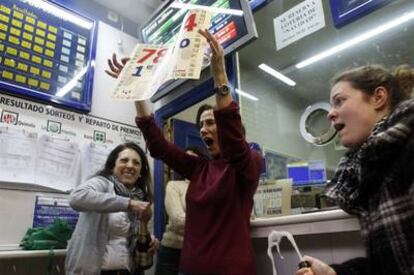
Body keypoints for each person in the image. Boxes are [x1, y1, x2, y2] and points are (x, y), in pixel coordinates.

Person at [106, 29, 263, 274]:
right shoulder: (200, 168)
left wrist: (219, 75)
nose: (203, 130)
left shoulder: (249, 164)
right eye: (201, 125)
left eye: (211, 122)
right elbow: (158, 146)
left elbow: (234, 144)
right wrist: (136, 91)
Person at [296, 64, 414, 275]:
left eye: (340, 101)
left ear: (378, 98)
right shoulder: (371, 169)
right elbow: (391, 263)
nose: (330, 114)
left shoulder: (408, 148)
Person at [65, 142, 159, 275]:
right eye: (124, 160)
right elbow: (76, 198)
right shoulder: (102, 184)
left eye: (136, 163)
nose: (130, 166)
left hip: (130, 271)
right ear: (112, 166)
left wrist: (151, 239)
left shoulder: (141, 198)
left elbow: (143, 231)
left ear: (140, 171)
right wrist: (128, 203)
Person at [155, 146, 206, 275]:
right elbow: (178, 220)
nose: (188, 163)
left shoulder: (209, 188)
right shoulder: (174, 186)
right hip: (173, 252)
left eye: (192, 159)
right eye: (185, 160)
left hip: (199, 252)